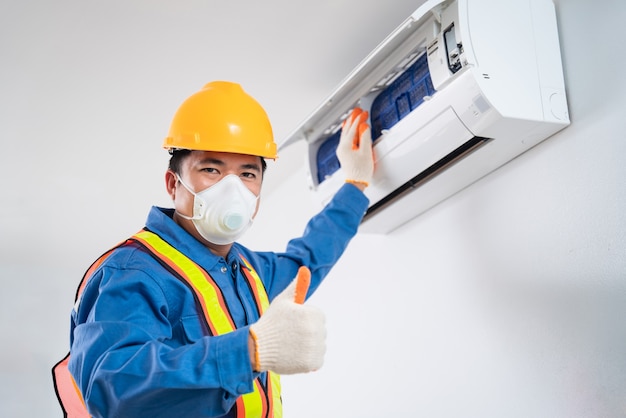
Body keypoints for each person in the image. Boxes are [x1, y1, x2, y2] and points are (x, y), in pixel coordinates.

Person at [52, 81, 373, 418]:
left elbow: (307, 260)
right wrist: (250, 351)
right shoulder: (131, 273)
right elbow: (114, 391)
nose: (231, 188)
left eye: (248, 173)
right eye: (211, 169)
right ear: (173, 184)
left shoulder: (248, 271)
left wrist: (356, 186)